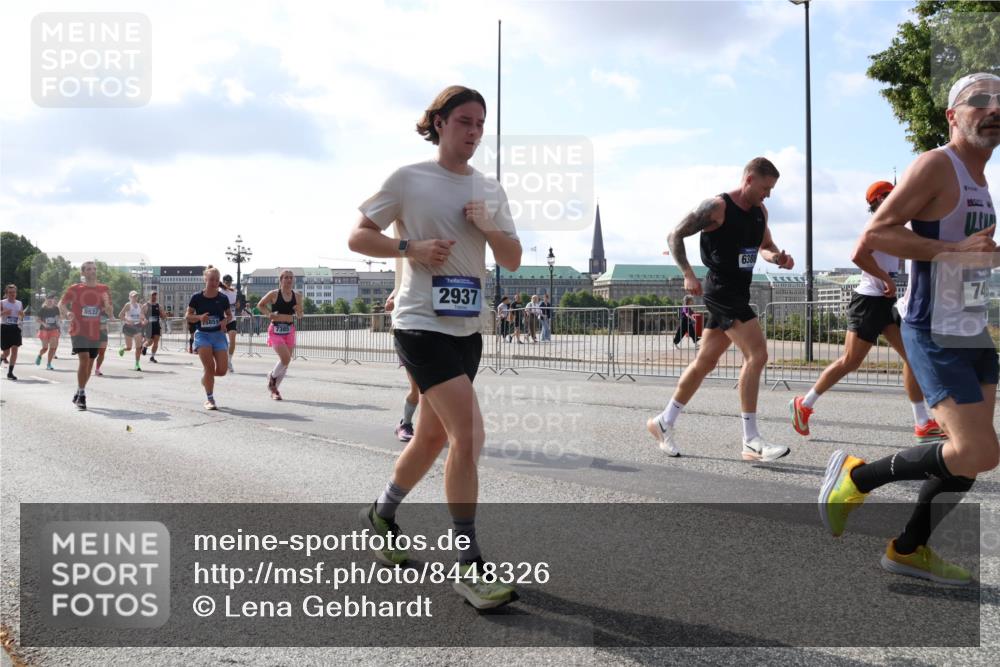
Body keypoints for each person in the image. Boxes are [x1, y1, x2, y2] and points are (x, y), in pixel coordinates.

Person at [820, 72, 999, 586]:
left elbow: (970, 257)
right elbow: (875, 234)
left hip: (971, 327)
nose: (992, 109)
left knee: (969, 459)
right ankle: (856, 477)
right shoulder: (936, 165)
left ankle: (908, 549)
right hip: (933, 326)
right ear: (952, 115)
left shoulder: (981, 178)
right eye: (979, 101)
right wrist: (954, 252)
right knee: (978, 451)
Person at [349, 85, 522, 609]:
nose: (473, 133)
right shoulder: (409, 179)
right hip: (420, 323)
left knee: (429, 441)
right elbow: (358, 237)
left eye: (480, 125)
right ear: (440, 122)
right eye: (464, 121)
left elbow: (512, 258)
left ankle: (380, 513)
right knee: (468, 436)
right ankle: (468, 566)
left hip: (467, 330)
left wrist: (487, 225)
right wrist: (410, 247)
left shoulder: (490, 190)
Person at [647, 157, 794, 460]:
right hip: (721, 290)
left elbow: (765, 246)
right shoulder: (718, 207)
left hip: (738, 290)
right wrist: (687, 273)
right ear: (749, 179)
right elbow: (675, 234)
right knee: (758, 354)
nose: (768, 195)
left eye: (772, 190)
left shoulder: (760, 212)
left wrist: (777, 257)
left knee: (705, 362)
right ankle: (751, 440)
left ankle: (664, 422)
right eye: (765, 188)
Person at [791, 182, 946, 444]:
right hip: (868, 301)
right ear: (875, 202)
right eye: (886, 195)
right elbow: (857, 256)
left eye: (893, 194)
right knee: (850, 361)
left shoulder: (896, 226)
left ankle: (922, 423)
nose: (893, 198)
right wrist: (884, 277)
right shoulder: (876, 225)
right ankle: (804, 404)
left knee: (913, 357)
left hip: (887, 303)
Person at [59, 261, 114, 410]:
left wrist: (107, 304)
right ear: (83, 273)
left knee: (89, 364)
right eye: (89, 269)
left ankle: (78, 390)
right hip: (78, 330)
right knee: (83, 360)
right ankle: (82, 395)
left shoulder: (104, 289)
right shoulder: (75, 289)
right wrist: (67, 312)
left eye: (94, 269)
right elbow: (61, 304)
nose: (93, 271)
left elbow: (109, 312)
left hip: (94, 331)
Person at [187, 265, 232, 410]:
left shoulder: (223, 298)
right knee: (209, 367)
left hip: (218, 336)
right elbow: (188, 316)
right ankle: (210, 399)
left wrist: (225, 321)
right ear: (205, 279)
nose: (214, 282)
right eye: (211, 279)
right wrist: (199, 317)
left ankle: (205, 379)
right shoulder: (197, 297)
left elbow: (229, 315)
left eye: (216, 280)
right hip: (203, 336)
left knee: (222, 370)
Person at [257, 269, 303, 400]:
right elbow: (260, 305)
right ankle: (272, 376)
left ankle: (274, 389)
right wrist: (268, 314)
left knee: (286, 363)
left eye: (291, 278)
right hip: (276, 330)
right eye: (286, 277)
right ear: (281, 280)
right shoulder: (274, 294)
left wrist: (299, 310)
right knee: (285, 359)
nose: (289, 280)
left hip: (289, 330)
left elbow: (300, 316)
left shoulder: (297, 296)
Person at [385, 289, 419, 441]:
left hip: (443, 336)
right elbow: (388, 305)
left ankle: (433, 427)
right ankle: (405, 424)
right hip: (410, 337)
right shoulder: (407, 281)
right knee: (417, 388)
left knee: (437, 391)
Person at [117, 290, 145, 371]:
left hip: (137, 327)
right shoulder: (128, 305)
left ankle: (137, 364)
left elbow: (142, 316)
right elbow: (120, 315)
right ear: (129, 297)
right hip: (128, 327)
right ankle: (123, 349)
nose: (135, 298)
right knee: (129, 348)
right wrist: (128, 321)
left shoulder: (140, 305)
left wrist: (143, 320)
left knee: (138, 347)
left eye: (136, 296)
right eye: (133, 296)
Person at [1, 284, 25, 380]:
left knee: (15, 350)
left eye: (14, 292)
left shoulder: (19, 303)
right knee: (6, 353)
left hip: (15, 328)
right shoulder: (2, 302)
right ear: (6, 294)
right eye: (10, 293)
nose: (12, 294)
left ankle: (10, 373)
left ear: (16, 293)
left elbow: (21, 317)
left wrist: (22, 315)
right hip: (5, 328)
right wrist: (3, 313)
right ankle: (2, 357)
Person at [36, 294, 62, 370]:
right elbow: (37, 319)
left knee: (52, 348)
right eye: (49, 300)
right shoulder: (42, 309)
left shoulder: (56, 308)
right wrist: (44, 323)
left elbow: (58, 317)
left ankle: (49, 364)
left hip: (54, 329)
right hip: (44, 330)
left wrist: (59, 320)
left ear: (54, 301)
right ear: (46, 300)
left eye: (52, 300)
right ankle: (40, 355)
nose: (50, 301)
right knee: (45, 348)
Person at [221, 274, 239, 373]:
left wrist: (237, 304)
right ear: (223, 282)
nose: (228, 283)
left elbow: (237, 304)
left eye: (230, 282)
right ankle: (221, 360)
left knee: (232, 341)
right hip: (222, 319)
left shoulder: (234, 291)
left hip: (232, 319)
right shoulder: (220, 292)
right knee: (222, 343)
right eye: (227, 282)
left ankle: (229, 361)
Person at [140, 291, 162, 363]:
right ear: (149, 296)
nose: (154, 297)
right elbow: (141, 314)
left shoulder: (158, 306)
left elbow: (162, 315)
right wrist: (144, 319)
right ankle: (144, 346)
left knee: (156, 342)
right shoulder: (146, 305)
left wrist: (165, 315)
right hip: (149, 326)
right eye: (153, 295)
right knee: (149, 342)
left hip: (156, 326)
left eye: (155, 295)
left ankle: (152, 357)